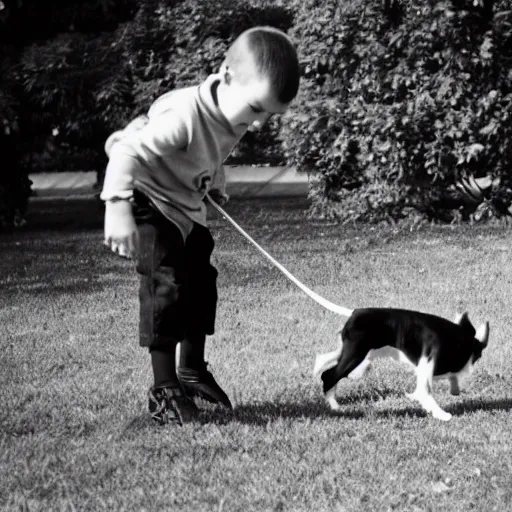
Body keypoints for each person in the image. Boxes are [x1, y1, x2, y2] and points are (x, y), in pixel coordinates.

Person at [101, 26, 300, 425]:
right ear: (227, 76)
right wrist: (116, 207)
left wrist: (215, 182)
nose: (259, 123)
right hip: (148, 202)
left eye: (267, 115)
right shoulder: (184, 117)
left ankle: (192, 371)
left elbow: (210, 155)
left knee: (200, 283)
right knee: (166, 286)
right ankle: (164, 388)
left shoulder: (232, 115)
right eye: (257, 109)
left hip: (187, 208)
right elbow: (125, 150)